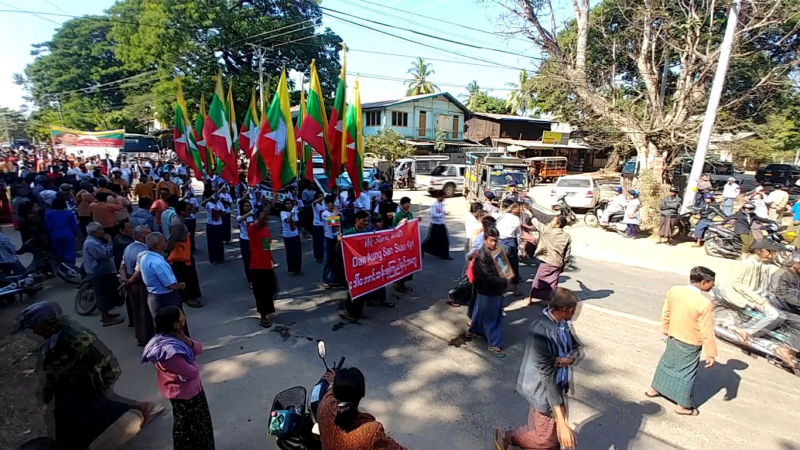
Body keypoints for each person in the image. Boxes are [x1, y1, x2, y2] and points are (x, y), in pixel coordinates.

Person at [13, 302, 164, 449]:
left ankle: (143, 407)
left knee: (90, 410)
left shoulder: (76, 338)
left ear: (48, 324)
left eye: (36, 327)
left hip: (80, 381)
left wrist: (105, 384)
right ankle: (141, 407)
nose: (34, 332)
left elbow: (103, 361)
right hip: (67, 382)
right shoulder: (54, 334)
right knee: (85, 411)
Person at [495, 288, 581, 450]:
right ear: (565, 309)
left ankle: (507, 436)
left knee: (544, 433)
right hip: (543, 391)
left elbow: (575, 346)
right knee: (543, 439)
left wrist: (570, 358)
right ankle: (506, 438)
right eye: (574, 310)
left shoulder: (562, 324)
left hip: (555, 389)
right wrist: (562, 422)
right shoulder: (541, 331)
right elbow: (547, 375)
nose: (575, 313)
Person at [140, 307, 215, 450]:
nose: (184, 317)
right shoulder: (169, 352)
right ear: (175, 324)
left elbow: (198, 348)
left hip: (192, 391)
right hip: (185, 397)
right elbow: (192, 373)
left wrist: (185, 339)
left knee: (200, 427)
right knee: (190, 431)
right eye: (182, 315)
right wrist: (192, 362)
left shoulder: (174, 338)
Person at [647, 266, 717, 416]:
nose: (713, 285)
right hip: (691, 341)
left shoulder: (675, 291)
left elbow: (666, 311)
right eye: (712, 282)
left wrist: (665, 328)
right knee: (686, 373)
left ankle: (654, 389)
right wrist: (711, 353)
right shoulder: (704, 304)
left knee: (667, 363)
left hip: (673, 334)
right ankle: (683, 406)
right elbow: (707, 330)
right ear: (704, 282)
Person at [317, 367, 407, 450]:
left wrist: (336, 382)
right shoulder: (371, 432)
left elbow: (330, 391)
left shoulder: (325, 405)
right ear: (362, 394)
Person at [466, 224, 512, 358]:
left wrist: (507, 276)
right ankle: (494, 343)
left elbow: (503, 267)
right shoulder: (482, 255)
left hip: (490, 289)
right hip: (488, 289)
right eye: (491, 240)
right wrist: (505, 281)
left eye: (495, 240)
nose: (493, 243)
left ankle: (472, 330)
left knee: (480, 311)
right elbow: (488, 276)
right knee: (493, 318)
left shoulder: (497, 251)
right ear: (485, 239)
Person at [138, 232, 188, 327]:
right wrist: (182, 285)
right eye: (164, 240)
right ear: (157, 245)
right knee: (175, 326)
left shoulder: (144, 257)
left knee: (162, 326)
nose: (166, 242)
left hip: (153, 297)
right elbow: (171, 285)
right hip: (166, 298)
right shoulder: (158, 263)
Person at [83, 222, 124, 327]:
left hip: (104, 271)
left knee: (109, 293)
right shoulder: (92, 243)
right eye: (100, 230)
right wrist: (110, 242)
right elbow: (106, 254)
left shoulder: (95, 241)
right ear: (94, 232)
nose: (103, 231)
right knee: (103, 295)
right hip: (100, 272)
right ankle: (105, 318)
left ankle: (108, 314)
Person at [120, 225, 154, 346]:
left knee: (135, 309)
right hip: (139, 284)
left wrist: (125, 280)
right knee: (144, 311)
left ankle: (139, 334)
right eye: (147, 234)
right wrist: (131, 280)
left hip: (130, 282)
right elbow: (138, 272)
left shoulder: (128, 247)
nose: (150, 236)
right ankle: (146, 338)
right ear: (140, 237)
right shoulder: (143, 252)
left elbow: (122, 266)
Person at [248, 207, 279, 328]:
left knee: (272, 289)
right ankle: (263, 315)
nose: (266, 220)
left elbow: (267, 247)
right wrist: (266, 210)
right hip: (256, 266)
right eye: (264, 218)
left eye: (267, 218)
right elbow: (258, 222)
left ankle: (266, 306)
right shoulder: (252, 229)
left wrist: (271, 260)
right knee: (260, 292)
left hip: (267, 265)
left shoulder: (266, 230)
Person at [167, 201, 203, 308]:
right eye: (188, 209)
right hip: (181, 256)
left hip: (185, 252)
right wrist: (167, 251)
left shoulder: (180, 221)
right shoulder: (177, 224)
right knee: (186, 276)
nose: (191, 211)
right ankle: (187, 297)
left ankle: (190, 295)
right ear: (182, 211)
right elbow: (172, 240)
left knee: (190, 275)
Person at [528, 216, 571, 303]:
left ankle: (530, 299)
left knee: (538, 281)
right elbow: (567, 253)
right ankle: (550, 301)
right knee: (552, 284)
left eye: (553, 221)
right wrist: (564, 265)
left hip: (547, 261)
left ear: (558, 224)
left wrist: (530, 215)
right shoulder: (567, 236)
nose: (551, 221)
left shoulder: (548, 231)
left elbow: (536, 223)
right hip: (557, 263)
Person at [768, 253, 800, 368]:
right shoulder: (782, 274)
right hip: (778, 305)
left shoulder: (797, 275)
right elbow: (780, 295)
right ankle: (786, 350)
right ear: (796, 264)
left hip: (792, 307)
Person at [495, 199, 522, 296]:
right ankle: (516, 288)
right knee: (514, 265)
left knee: (501, 266)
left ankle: (502, 287)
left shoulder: (498, 216)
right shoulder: (516, 219)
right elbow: (518, 235)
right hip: (512, 242)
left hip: (500, 241)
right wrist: (520, 247)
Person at [44, 197, 78, 264]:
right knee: (69, 251)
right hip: (68, 234)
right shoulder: (69, 213)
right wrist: (75, 235)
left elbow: (47, 226)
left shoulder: (48, 213)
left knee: (58, 252)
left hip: (54, 235)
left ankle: (61, 267)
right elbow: (74, 226)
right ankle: (71, 266)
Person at [392, 197, 414, 293]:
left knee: (407, 264)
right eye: (405, 203)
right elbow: (394, 229)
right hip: (400, 243)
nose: (408, 205)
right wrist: (400, 223)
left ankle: (403, 283)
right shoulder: (398, 216)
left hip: (408, 243)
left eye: (409, 203)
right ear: (401, 205)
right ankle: (396, 282)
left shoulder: (410, 214)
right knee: (399, 264)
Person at [421, 189, 452, 259]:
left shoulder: (442, 204)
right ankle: (422, 248)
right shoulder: (434, 205)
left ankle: (445, 255)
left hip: (441, 224)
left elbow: (442, 212)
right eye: (443, 197)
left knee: (445, 240)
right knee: (431, 239)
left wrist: (445, 213)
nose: (444, 199)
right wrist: (442, 214)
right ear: (439, 197)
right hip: (435, 224)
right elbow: (433, 215)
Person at [321, 195, 341, 289]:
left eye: (333, 202)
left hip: (336, 237)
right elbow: (334, 221)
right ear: (327, 204)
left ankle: (333, 279)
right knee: (327, 259)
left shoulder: (335, 212)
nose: (332, 205)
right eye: (330, 203)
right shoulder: (325, 213)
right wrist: (335, 212)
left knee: (335, 259)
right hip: (328, 238)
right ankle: (325, 279)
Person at [280, 198, 303, 275]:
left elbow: (297, 221)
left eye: (290, 203)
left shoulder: (294, 211)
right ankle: (291, 269)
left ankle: (298, 269)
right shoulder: (283, 213)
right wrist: (292, 213)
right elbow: (287, 220)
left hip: (295, 234)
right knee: (290, 253)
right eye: (287, 203)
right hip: (287, 235)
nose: (289, 205)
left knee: (298, 253)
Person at [236, 199, 256, 286]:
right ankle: (250, 280)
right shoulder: (240, 216)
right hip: (245, 240)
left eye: (249, 206)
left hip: (254, 240)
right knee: (247, 261)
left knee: (255, 260)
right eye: (245, 206)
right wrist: (249, 213)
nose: (247, 207)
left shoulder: (253, 216)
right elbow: (240, 220)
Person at [202, 192, 225, 264]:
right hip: (210, 224)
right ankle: (213, 259)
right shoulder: (209, 204)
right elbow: (202, 204)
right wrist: (209, 199)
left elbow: (224, 214)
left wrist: (219, 210)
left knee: (219, 242)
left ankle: (220, 258)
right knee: (212, 242)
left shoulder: (220, 204)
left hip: (219, 224)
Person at [182, 184, 200, 254]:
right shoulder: (182, 199)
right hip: (185, 219)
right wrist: (184, 197)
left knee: (192, 233)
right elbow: (179, 204)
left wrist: (193, 213)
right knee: (185, 234)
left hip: (192, 219)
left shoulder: (193, 199)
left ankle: (193, 247)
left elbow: (197, 208)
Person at [311, 191, 326, 262]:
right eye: (319, 196)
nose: (321, 198)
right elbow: (314, 202)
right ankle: (318, 256)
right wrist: (322, 197)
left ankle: (322, 255)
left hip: (323, 224)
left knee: (323, 241)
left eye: (322, 196)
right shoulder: (315, 204)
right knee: (317, 241)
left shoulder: (323, 204)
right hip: (317, 224)